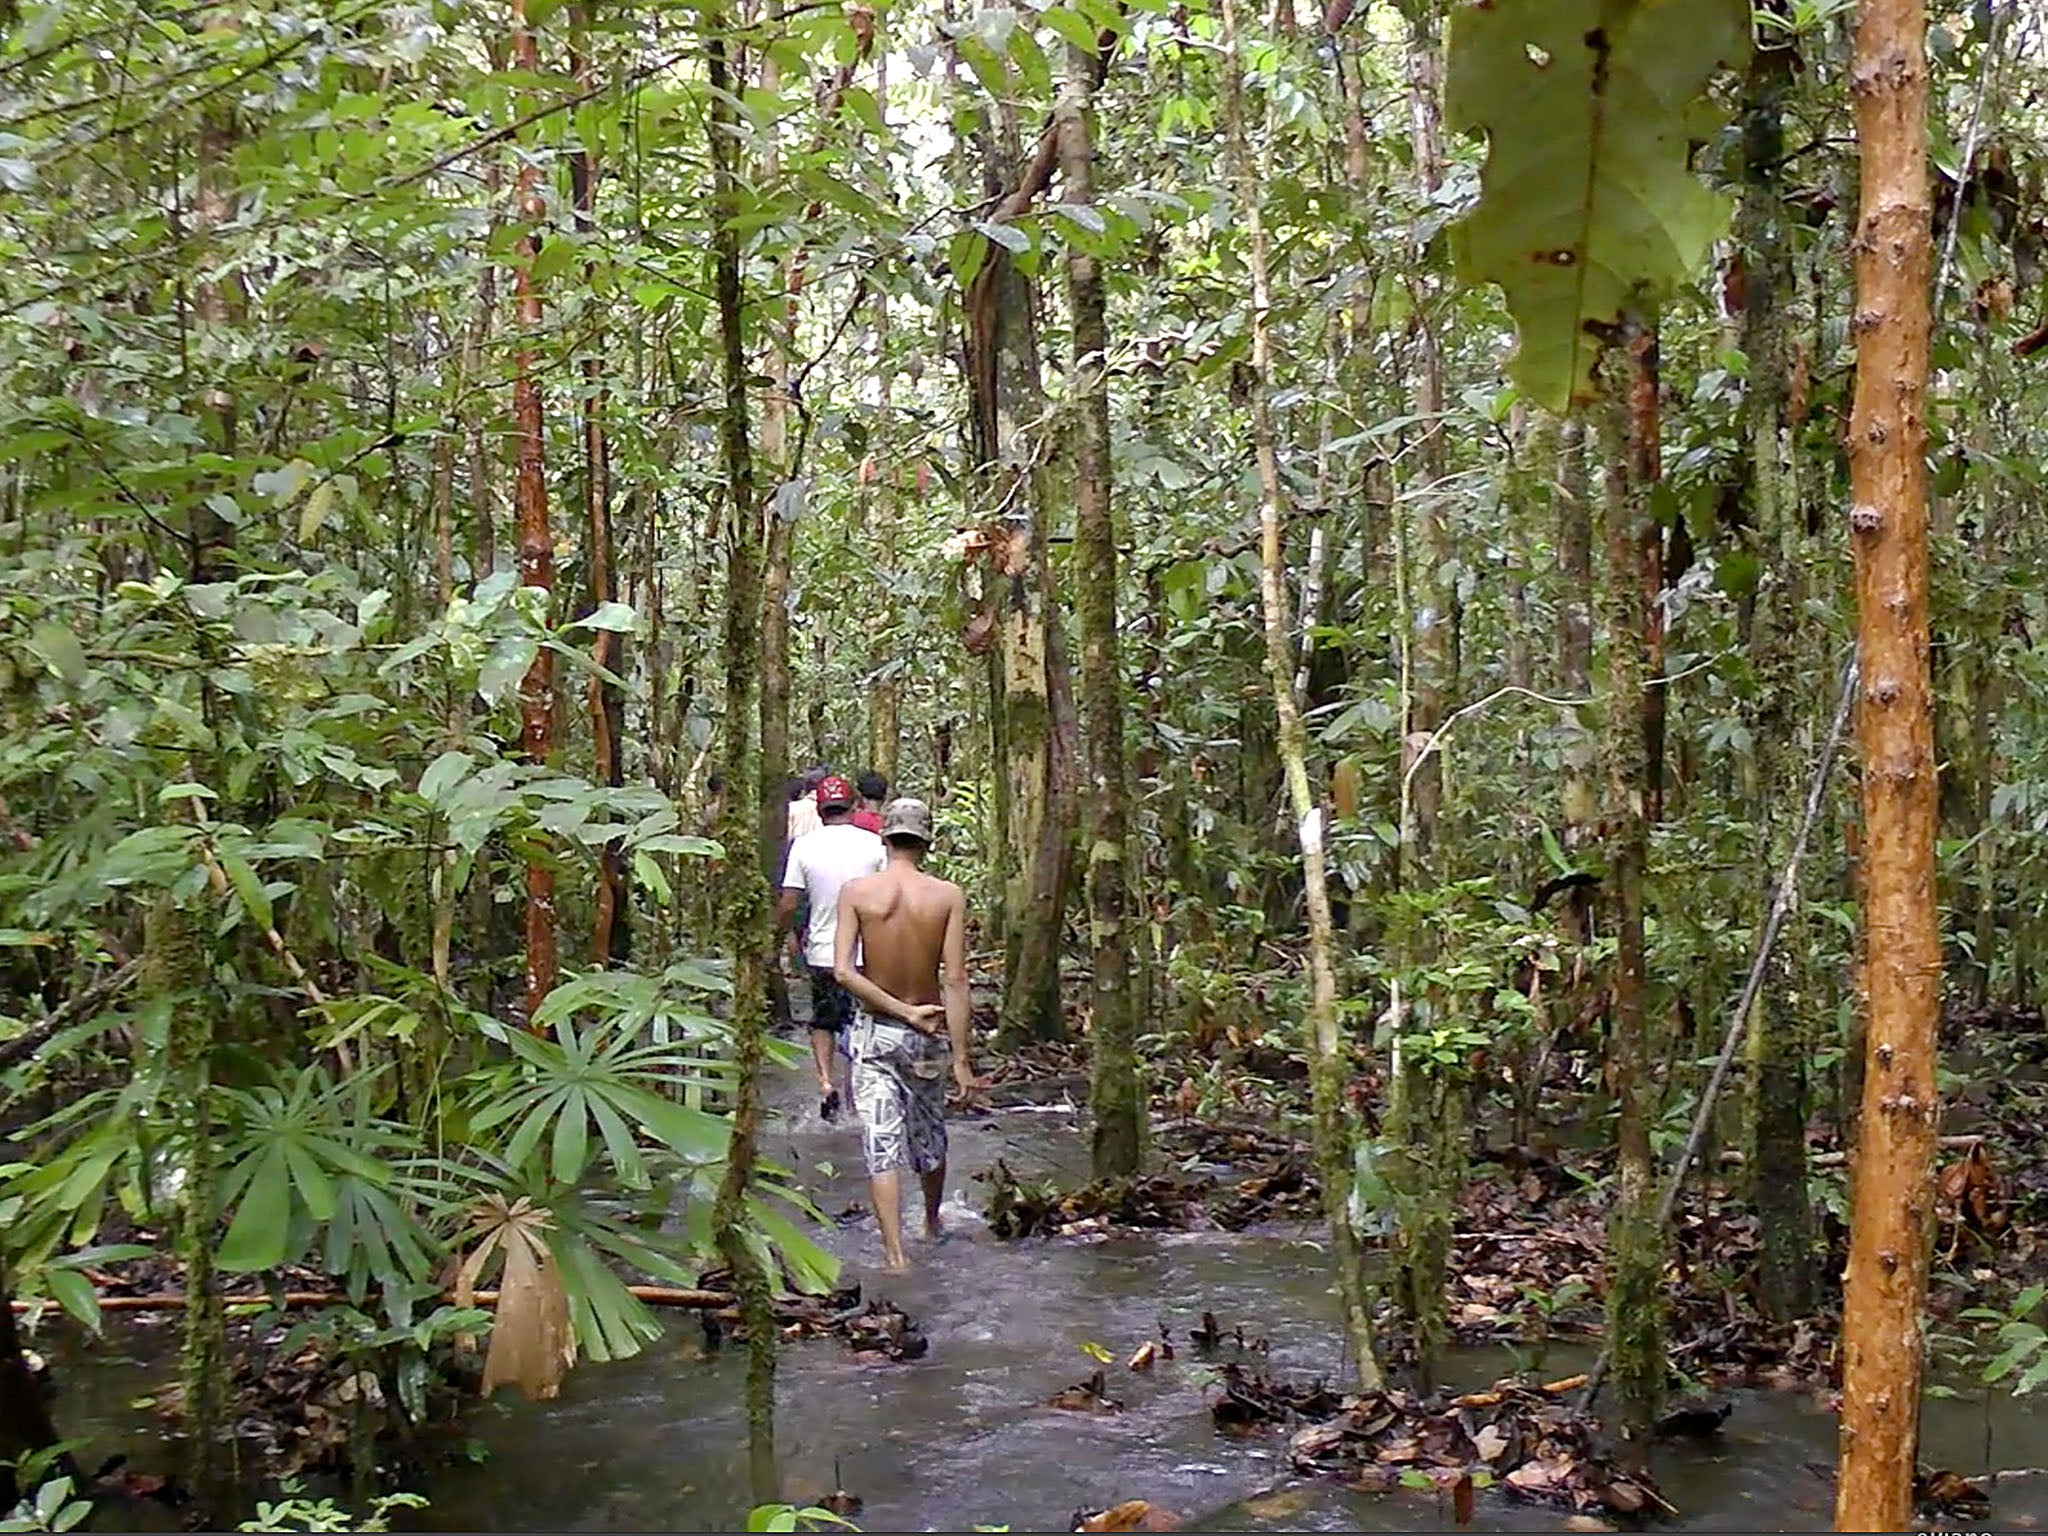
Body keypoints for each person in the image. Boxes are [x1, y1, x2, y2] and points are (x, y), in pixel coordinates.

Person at [832, 798, 987, 1271]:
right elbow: (956, 979)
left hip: (876, 1032)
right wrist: (962, 1057)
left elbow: (842, 972)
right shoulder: (947, 896)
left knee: (881, 1142)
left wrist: (898, 1010)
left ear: (885, 836)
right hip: (926, 1036)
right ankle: (933, 1223)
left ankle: (895, 1255)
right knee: (929, 1134)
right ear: (926, 841)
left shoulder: (857, 892)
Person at [778, 775, 883, 1120]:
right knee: (863, 1019)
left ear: (821, 811)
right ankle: (858, 1088)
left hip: (823, 952)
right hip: (868, 954)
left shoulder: (804, 847)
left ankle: (825, 1081)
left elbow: (790, 901)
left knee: (823, 1020)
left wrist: (779, 937)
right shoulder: (874, 844)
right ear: (854, 807)